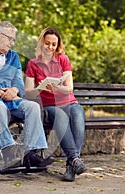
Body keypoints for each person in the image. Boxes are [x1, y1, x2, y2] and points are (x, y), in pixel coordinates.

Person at [0, 21, 54, 171]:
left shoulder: (13, 57)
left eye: (14, 40)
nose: (12, 43)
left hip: (10, 100)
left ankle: (31, 153)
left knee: (32, 107)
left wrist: (14, 90)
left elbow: (19, 82)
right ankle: (8, 153)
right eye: (10, 39)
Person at [24, 27, 87, 181]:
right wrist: (40, 88)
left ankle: (71, 164)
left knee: (78, 113)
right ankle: (74, 160)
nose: (50, 47)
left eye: (54, 44)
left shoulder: (63, 59)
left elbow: (69, 88)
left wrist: (58, 87)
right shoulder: (33, 64)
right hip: (49, 105)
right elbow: (28, 92)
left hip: (69, 101)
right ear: (41, 43)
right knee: (59, 115)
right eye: (47, 43)